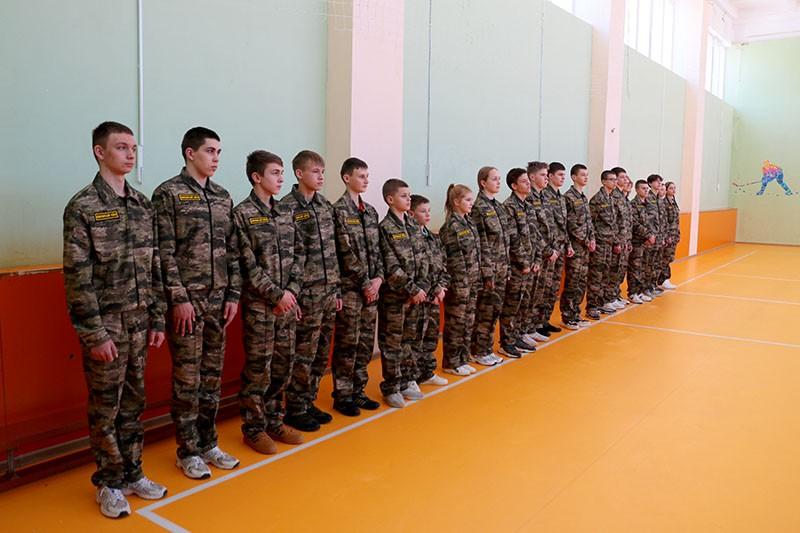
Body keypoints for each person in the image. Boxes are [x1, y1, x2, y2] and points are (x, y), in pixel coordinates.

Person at [64, 121, 168, 518]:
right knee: (105, 407)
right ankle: (109, 482)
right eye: (122, 147)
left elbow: (154, 265)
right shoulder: (83, 207)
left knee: (134, 403)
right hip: (106, 326)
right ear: (99, 151)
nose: (130, 154)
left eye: (133, 148)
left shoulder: (142, 205)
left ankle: (133, 472)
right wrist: (94, 333)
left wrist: (157, 318)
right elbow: (77, 277)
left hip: (140, 324)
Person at [152, 126, 241, 479]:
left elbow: (232, 249)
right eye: (209, 151)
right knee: (188, 380)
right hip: (187, 305)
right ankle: (187, 450)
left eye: (219, 152)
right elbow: (163, 252)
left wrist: (233, 294)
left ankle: (208, 443)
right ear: (190, 153)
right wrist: (178, 298)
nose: (216, 158)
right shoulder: (168, 194)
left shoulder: (222, 196)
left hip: (219, 303)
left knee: (211, 378)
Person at [234, 150, 305, 454]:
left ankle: (274, 421)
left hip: (287, 304)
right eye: (275, 173)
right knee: (258, 370)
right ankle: (253, 428)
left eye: (282, 172)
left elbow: (300, 255)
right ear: (256, 177)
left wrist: (291, 292)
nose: (281, 178)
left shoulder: (285, 212)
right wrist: (277, 295)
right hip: (260, 307)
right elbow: (246, 265)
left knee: (283, 365)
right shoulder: (242, 214)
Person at [280, 150, 342, 431]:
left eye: (322, 172)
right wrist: (293, 296)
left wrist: (336, 290)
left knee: (320, 353)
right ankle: (295, 407)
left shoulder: (325, 206)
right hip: (305, 295)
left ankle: (308, 401)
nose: (320, 176)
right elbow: (285, 257)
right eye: (315, 171)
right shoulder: (286, 208)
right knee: (302, 355)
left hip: (328, 293)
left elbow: (333, 251)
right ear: (299, 173)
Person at [331, 157, 384, 417]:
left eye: (367, 176)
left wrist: (379, 279)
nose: (366, 180)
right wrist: (365, 283)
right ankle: (342, 395)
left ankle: (358, 390)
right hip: (351, 289)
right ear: (346, 178)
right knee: (348, 343)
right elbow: (345, 253)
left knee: (364, 343)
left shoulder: (370, 212)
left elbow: (378, 250)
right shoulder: (338, 211)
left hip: (371, 289)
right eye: (361, 176)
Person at [378, 179, 431, 408]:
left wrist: (422, 287)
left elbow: (424, 257)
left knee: (410, 340)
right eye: (403, 196)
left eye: (409, 195)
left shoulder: (412, 224)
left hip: (416, 296)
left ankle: (407, 380)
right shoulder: (385, 228)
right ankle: (391, 387)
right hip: (396, 297)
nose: (409, 199)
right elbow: (391, 265)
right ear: (390, 199)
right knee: (392, 343)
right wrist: (412, 289)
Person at [470, 166, 512, 365]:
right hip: (489, 270)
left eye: (499, 179)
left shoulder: (499, 207)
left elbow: (505, 240)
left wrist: (507, 267)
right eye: (494, 179)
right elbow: (481, 243)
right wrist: (487, 272)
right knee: (485, 311)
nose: (498, 182)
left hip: (502, 267)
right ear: (483, 182)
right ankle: (478, 350)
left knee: (495, 310)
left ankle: (486, 347)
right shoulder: (478, 208)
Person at [439, 184, 481, 376]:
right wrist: (458, 284)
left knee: (468, 321)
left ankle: (463, 358)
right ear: (456, 202)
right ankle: (451, 361)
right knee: (455, 323)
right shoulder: (451, 227)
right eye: (467, 200)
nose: (471, 203)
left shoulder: (469, 222)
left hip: (472, 281)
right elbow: (452, 260)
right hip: (459, 284)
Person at [410, 194, 450, 386]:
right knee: (414, 338)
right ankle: (411, 376)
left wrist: (440, 287)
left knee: (430, 336)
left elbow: (442, 264)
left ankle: (427, 372)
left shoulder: (433, 238)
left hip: (434, 294)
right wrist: (428, 290)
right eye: (423, 211)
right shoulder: (410, 238)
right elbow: (415, 269)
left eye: (429, 211)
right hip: (419, 295)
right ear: (411, 213)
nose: (427, 215)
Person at [499, 168, 538, 354]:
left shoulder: (528, 205)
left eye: (528, 181)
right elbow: (513, 239)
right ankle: (507, 342)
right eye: (524, 181)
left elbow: (534, 235)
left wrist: (536, 259)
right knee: (512, 304)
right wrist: (524, 263)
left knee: (525, 301)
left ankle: (518, 336)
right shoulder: (509, 207)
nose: (528, 184)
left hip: (530, 264)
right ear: (514, 186)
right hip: (518, 266)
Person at [525, 161, 557, 342]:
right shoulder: (528, 199)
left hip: (549, 252)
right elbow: (534, 230)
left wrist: (554, 248)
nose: (546, 178)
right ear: (532, 177)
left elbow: (551, 226)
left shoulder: (544, 197)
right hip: (538, 254)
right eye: (543, 175)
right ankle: (527, 328)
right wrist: (547, 250)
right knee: (533, 293)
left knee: (544, 292)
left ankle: (537, 324)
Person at [560, 164, 596, 329]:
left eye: (587, 175)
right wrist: (585, 240)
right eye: (582, 175)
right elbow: (571, 224)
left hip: (585, 248)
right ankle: (568, 316)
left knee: (581, 282)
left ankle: (576, 313)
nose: (586, 177)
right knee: (572, 282)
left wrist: (592, 238)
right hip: (576, 247)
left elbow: (589, 222)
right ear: (574, 177)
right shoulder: (568, 197)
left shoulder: (583, 197)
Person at [538, 162, 570, 335]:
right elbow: (543, 227)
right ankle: (537, 323)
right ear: (550, 176)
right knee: (544, 288)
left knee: (553, 288)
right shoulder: (543, 196)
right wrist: (550, 249)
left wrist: (567, 244)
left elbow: (563, 225)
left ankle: (545, 320)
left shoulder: (561, 197)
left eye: (564, 175)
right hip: (548, 251)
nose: (563, 178)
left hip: (560, 248)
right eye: (560, 175)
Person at [586, 170, 621, 320]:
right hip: (600, 245)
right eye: (611, 179)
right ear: (604, 181)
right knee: (596, 276)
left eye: (615, 179)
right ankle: (592, 306)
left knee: (605, 275)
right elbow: (591, 223)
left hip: (609, 244)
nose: (615, 182)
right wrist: (593, 240)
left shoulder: (611, 198)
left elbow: (613, 224)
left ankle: (601, 302)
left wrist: (616, 241)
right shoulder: (597, 200)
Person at [628, 179, 657, 303]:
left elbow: (653, 222)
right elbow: (635, 223)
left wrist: (652, 236)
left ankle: (640, 291)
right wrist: (648, 235)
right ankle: (633, 292)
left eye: (647, 189)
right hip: (638, 241)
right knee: (635, 268)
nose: (646, 191)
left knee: (644, 267)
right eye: (643, 188)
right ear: (637, 189)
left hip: (648, 241)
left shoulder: (649, 203)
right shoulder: (633, 204)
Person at [609, 168, 634, 307]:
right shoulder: (613, 196)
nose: (626, 180)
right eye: (623, 177)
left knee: (620, 271)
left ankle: (615, 295)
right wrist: (616, 241)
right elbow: (613, 222)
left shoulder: (623, 198)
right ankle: (609, 298)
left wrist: (627, 240)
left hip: (624, 240)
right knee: (613, 271)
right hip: (616, 241)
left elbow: (626, 223)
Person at [645, 174, 665, 298]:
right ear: (650, 183)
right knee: (648, 264)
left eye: (661, 182)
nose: (659, 184)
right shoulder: (648, 198)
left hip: (659, 236)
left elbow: (662, 219)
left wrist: (662, 236)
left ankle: (652, 285)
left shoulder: (659, 199)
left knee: (656, 263)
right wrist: (649, 235)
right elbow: (646, 219)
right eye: (657, 182)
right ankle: (646, 287)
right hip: (651, 237)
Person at [661, 182, 680, 290]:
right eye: (671, 188)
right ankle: (664, 279)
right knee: (665, 258)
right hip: (668, 236)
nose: (673, 190)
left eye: (674, 188)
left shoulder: (673, 202)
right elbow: (665, 221)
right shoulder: (664, 203)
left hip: (674, 235)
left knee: (669, 258)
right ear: (666, 190)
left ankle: (664, 279)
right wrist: (666, 236)